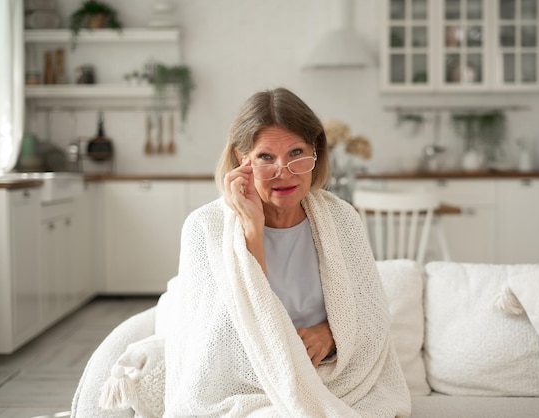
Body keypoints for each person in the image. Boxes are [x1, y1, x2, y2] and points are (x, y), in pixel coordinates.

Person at [161, 87, 411, 417]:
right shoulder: (203, 227)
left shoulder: (341, 219)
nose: (284, 171)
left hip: (329, 375)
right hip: (250, 382)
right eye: (266, 157)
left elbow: (372, 317)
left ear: (315, 153)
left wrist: (331, 334)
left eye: (296, 153)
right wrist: (252, 227)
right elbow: (224, 339)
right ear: (242, 159)